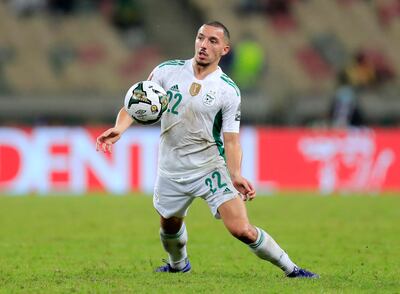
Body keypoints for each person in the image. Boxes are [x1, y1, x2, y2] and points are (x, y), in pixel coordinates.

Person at [96, 21, 318, 278]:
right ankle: (179, 266)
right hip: (171, 168)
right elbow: (136, 103)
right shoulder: (166, 71)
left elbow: (232, 140)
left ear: (225, 49)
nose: (203, 45)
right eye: (201, 38)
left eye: (212, 41)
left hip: (209, 169)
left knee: (241, 229)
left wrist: (235, 174)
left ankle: (292, 269)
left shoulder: (228, 91)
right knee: (169, 227)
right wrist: (119, 129)